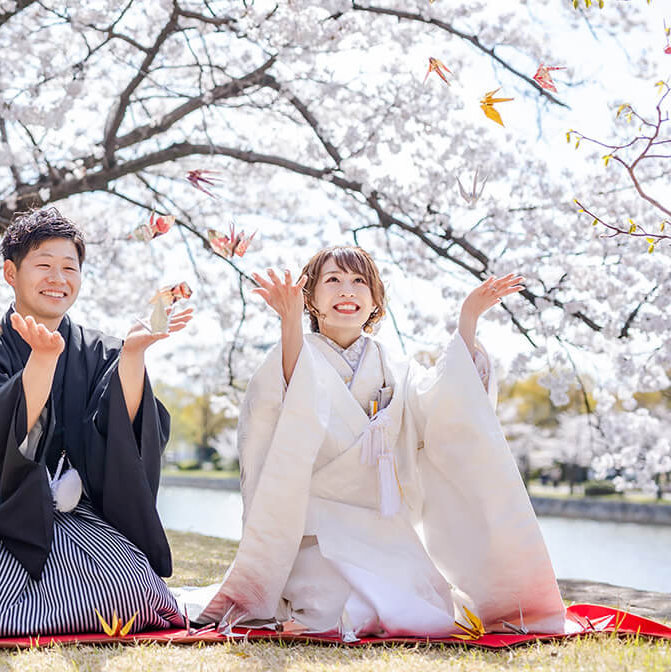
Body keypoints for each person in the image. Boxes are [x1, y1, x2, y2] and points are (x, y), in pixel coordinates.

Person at [182, 246, 565, 639]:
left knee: (430, 611)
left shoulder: (395, 366)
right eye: (333, 281)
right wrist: (289, 321)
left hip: (382, 526)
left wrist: (468, 318)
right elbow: (292, 403)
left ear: (375, 300)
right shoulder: (291, 354)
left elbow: (446, 404)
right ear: (311, 299)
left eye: (359, 282)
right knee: (344, 610)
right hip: (316, 531)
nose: (347, 291)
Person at [0, 207, 192, 642]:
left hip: (83, 522)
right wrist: (41, 362)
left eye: (70, 267)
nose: (58, 278)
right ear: (11, 272)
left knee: (132, 593)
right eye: (44, 265)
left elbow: (127, 432)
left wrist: (134, 355)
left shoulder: (103, 349)